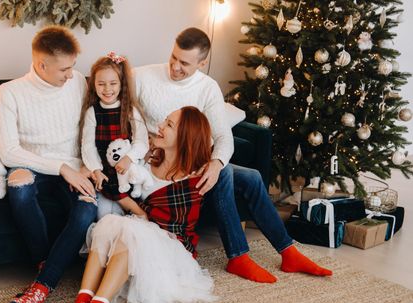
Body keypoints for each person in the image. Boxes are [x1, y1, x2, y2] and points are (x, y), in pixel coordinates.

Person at [133, 27, 332, 283]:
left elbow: (224, 137)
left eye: (185, 63)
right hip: (163, 162)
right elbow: (116, 94)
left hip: (193, 162)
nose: (175, 67)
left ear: (202, 62)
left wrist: (215, 162)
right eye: (173, 57)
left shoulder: (207, 88)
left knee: (248, 176)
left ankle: (288, 251)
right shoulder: (144, 76)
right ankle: (238, 257)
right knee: (228, 171)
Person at [59, 107, 217, 303]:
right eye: (165, 120)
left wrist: (141, 217)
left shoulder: (194, 178)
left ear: (185, 135)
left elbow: (175, 223)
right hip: (139, 233)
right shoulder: (148, 158)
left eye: (170, 125)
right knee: (109, 225)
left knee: (129, 232)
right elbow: (122, 192)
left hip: (171, 248)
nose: (161, 126)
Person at [0, 25, 98, 303]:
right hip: (33, 165)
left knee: (86, 210)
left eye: (73, 66)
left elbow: (91, 130)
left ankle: (41, 287)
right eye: (64, 68)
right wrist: (60, 168)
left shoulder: (78, 82)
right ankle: (45, 264)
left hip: (74, 164)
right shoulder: (10, 93)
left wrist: (87, 167)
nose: (71, 74)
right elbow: (9, 152)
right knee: (19, 186)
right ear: (41, 65)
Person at [80, 52, 149, 219]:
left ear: (121, 83)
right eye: (101, 84)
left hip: (127, 168)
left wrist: (129, 158)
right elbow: (88, 145)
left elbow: (142, 141)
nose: (107, 89)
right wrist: (96, 169)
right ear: (93, 84)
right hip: (104, 171)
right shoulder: (92, 112)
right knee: (103, 215)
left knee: (125, 206)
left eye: (113, 83)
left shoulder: (130, 110)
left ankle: (138, 215)